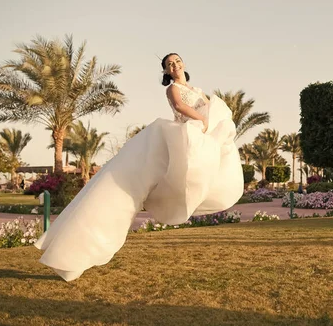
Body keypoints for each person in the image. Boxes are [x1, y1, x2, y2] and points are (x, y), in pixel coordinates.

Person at [34, 53, 244, 281]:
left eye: (177, 61)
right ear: (166, 71)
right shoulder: (172, 89)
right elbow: (180, 106)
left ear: (183, 63)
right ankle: (75, 250)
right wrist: (202, 121)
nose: (174, 65)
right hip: (186, 134)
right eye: (169, 64)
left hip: (198, 135)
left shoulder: (198, 90)